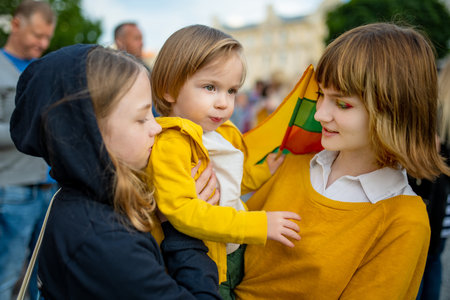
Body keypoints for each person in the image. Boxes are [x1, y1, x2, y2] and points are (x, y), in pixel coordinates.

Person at [234, 22, 450, 299]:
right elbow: (232, 240)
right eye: (321, 95)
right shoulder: (293, 161)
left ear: (393, 110)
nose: (320, 114)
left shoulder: (403, 221)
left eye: (343, 104)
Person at [9, 44, 223, 299]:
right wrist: (183, 226)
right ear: (89, 132)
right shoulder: (102, 241)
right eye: (142, 118)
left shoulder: (82, 198)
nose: (157, 128)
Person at [148, 24, 300, 299]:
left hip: (230, 249)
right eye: (210, 87)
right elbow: (183, 213)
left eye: (231, 90)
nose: (223, 102)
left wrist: (264, 170)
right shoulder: (172, 143)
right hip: (204, 262)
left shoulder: (217, 134)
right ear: (169, 89)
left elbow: (228, 183)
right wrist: (258, 225)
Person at [0, 1, 56, 299]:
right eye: (37, 35)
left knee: (40, 278)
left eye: (47, 37)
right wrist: (37, 126)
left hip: (49, 187)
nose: (43, 43)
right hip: (12, 190)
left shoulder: (41, 70)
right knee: (6, 276)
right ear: (16, 24)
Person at [414, 58, 450, 300]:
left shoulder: (434, 110)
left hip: (431, 199)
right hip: (443, 205)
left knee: (419, 265)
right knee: (434, 260)